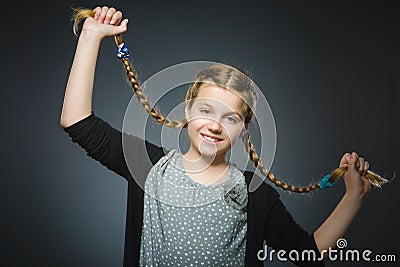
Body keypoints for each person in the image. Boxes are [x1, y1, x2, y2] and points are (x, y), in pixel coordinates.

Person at [60, 6, 386, 267]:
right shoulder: (146, 166)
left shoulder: (255, 195)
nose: (215, 125)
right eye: (206, 111)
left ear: (243, 129)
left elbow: (308, 255)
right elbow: (77, 122)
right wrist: (91, 37)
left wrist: (354, 197)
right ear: (188, 110)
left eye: (229, 117)